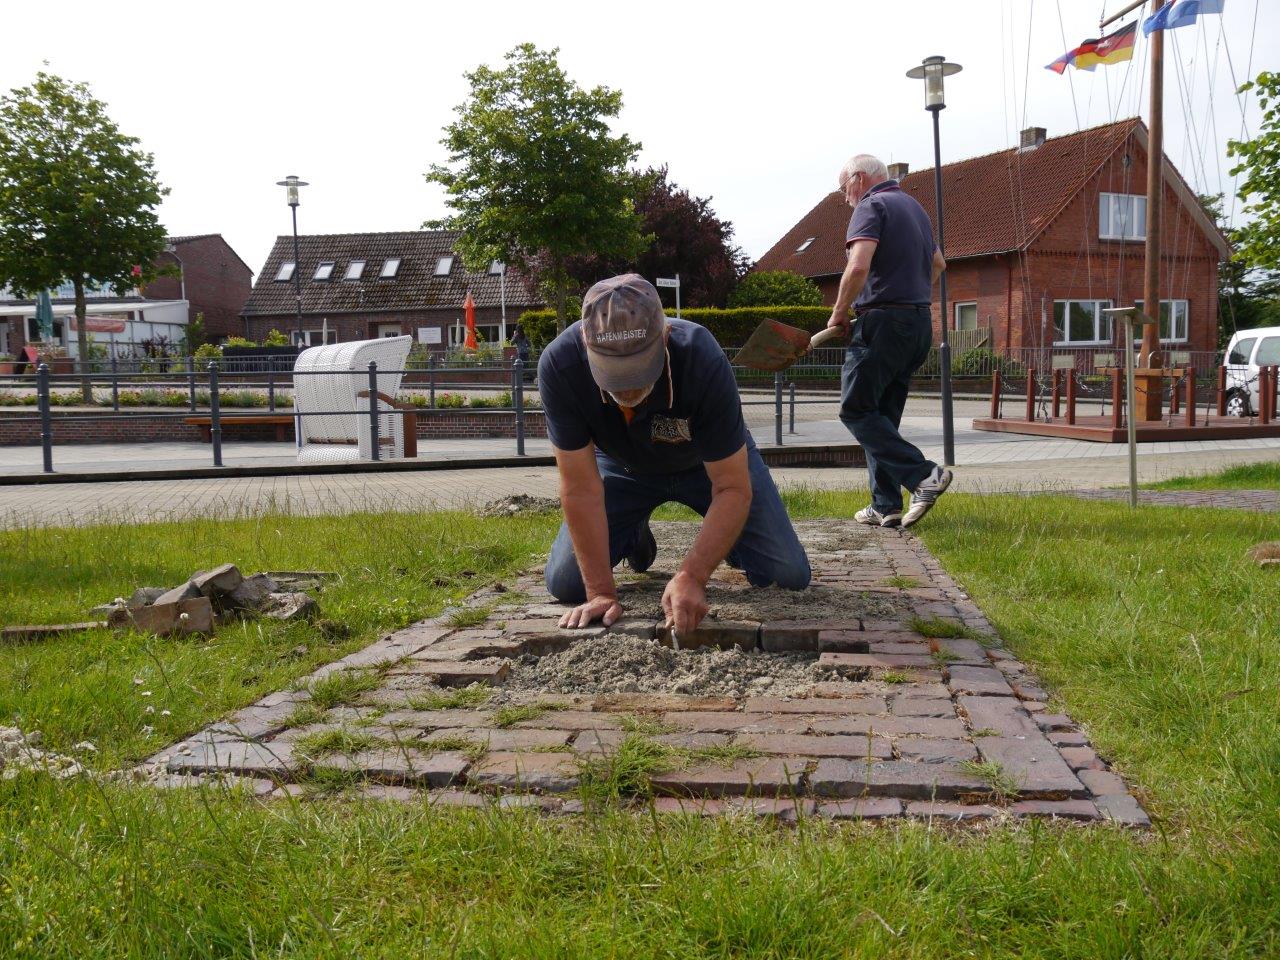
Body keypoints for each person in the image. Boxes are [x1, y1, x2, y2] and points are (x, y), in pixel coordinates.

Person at [538, 273, 811, 634]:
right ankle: (632, 532)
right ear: (586, 343)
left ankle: (729, 540)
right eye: (615, 373)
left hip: (709, 464)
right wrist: (600, 592)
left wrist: (693, 574)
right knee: (566, 584)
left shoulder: (701, 355)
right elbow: (580, 489)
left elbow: (732, 486)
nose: (630, 388)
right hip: (622, 469)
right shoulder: (560, 365)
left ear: (664, 335)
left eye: (639, 369)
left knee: (788, 574)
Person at [827, 153, 953, 529]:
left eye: (843, 188)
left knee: (856, 410)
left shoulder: (871, 205)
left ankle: (923, 475)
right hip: (917, 323)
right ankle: (885, 505)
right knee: (882, 416)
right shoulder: (916, 209)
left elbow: (859, 265)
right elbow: (938, 265)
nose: (844, 197)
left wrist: (839, 311)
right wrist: (908, 295)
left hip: (881, 323)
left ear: (859, 178)